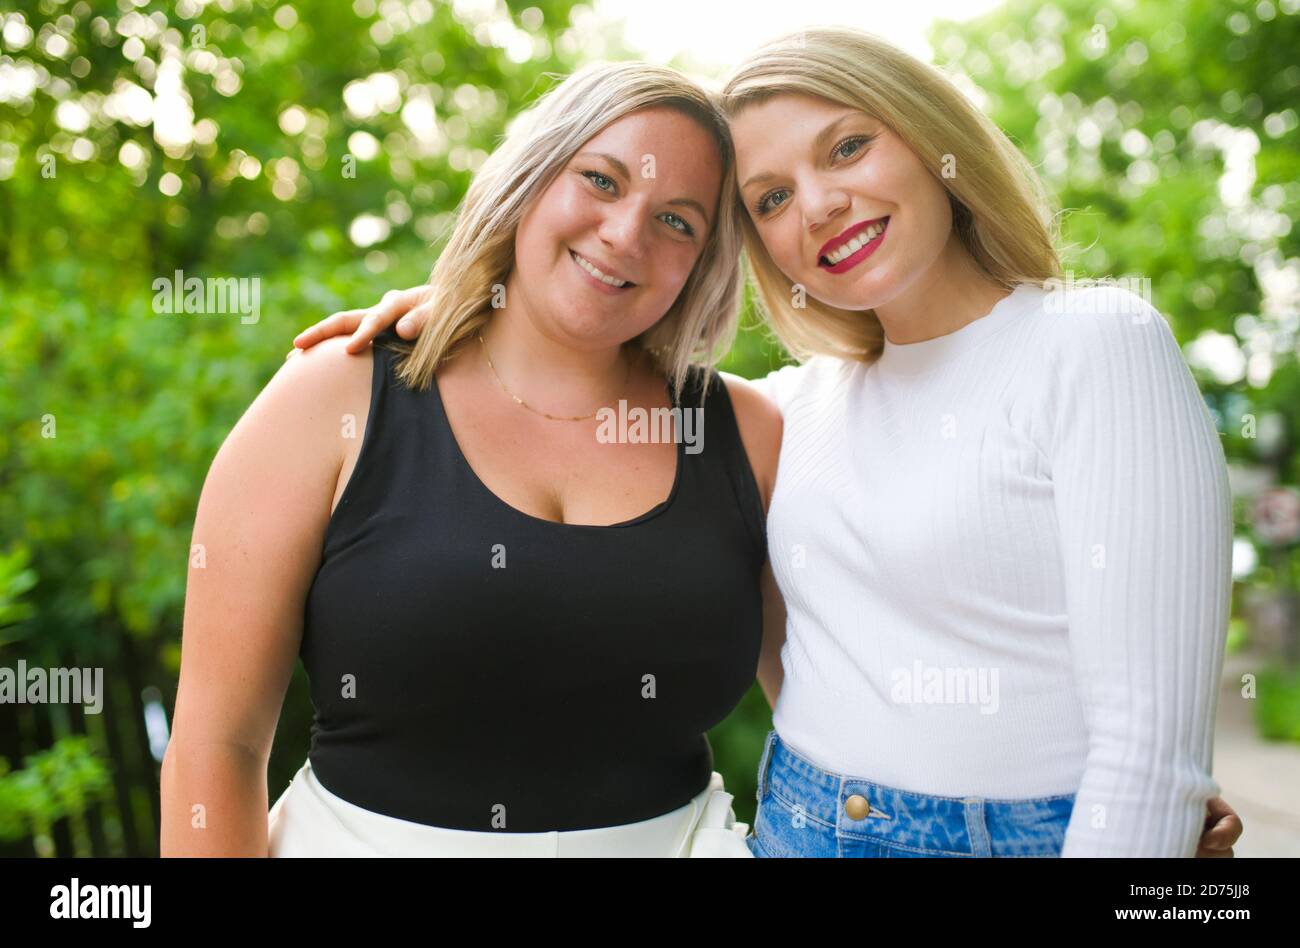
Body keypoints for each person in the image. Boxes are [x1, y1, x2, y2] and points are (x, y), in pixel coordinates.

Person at [299, 29, 1244, 858]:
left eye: (848, 147)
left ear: (931, 137)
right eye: (770, 198)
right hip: (795, 825)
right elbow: (584, 387)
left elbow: (1152, 758)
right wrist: (469, 312)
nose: (821, 206)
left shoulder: (1093, 344)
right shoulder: (787, 412)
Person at [160, 61, 782, 858]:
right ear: (528, 181)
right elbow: (217, 746)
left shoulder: (747, 432)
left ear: (705, 261)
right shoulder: (332, 398)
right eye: (599, 180)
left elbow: (828, 714)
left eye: (678, 221)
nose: (626, 232)